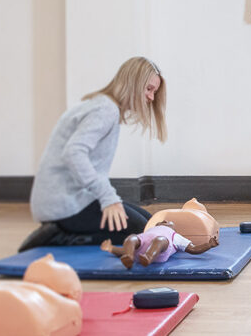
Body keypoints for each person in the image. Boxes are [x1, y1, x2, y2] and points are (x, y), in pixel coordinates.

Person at [20, 57, 167, 251]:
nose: (151, 98)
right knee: (140, 231)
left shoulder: (106, 107)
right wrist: (108, 199)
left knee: (149, 222)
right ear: (132, 83)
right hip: (64, 205)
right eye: (148, 89)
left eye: (154, 92)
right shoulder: (106, 110)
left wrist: (109, 199)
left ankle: (64, 230)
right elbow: (74, 153)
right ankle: (58, 236)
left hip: (76, 199)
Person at [100, 221, 219, 269]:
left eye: (168, 222)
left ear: (173, 228)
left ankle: (148, 257)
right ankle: (130, 257)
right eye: (162, 222)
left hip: (159, 251)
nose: (165, 222)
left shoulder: (174, 235)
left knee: (160, 239)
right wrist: (111, 248)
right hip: (139, 252)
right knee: (132, 238)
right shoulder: (149, 231)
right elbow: (123, 250)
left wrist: (208, 245)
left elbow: (193, 249)